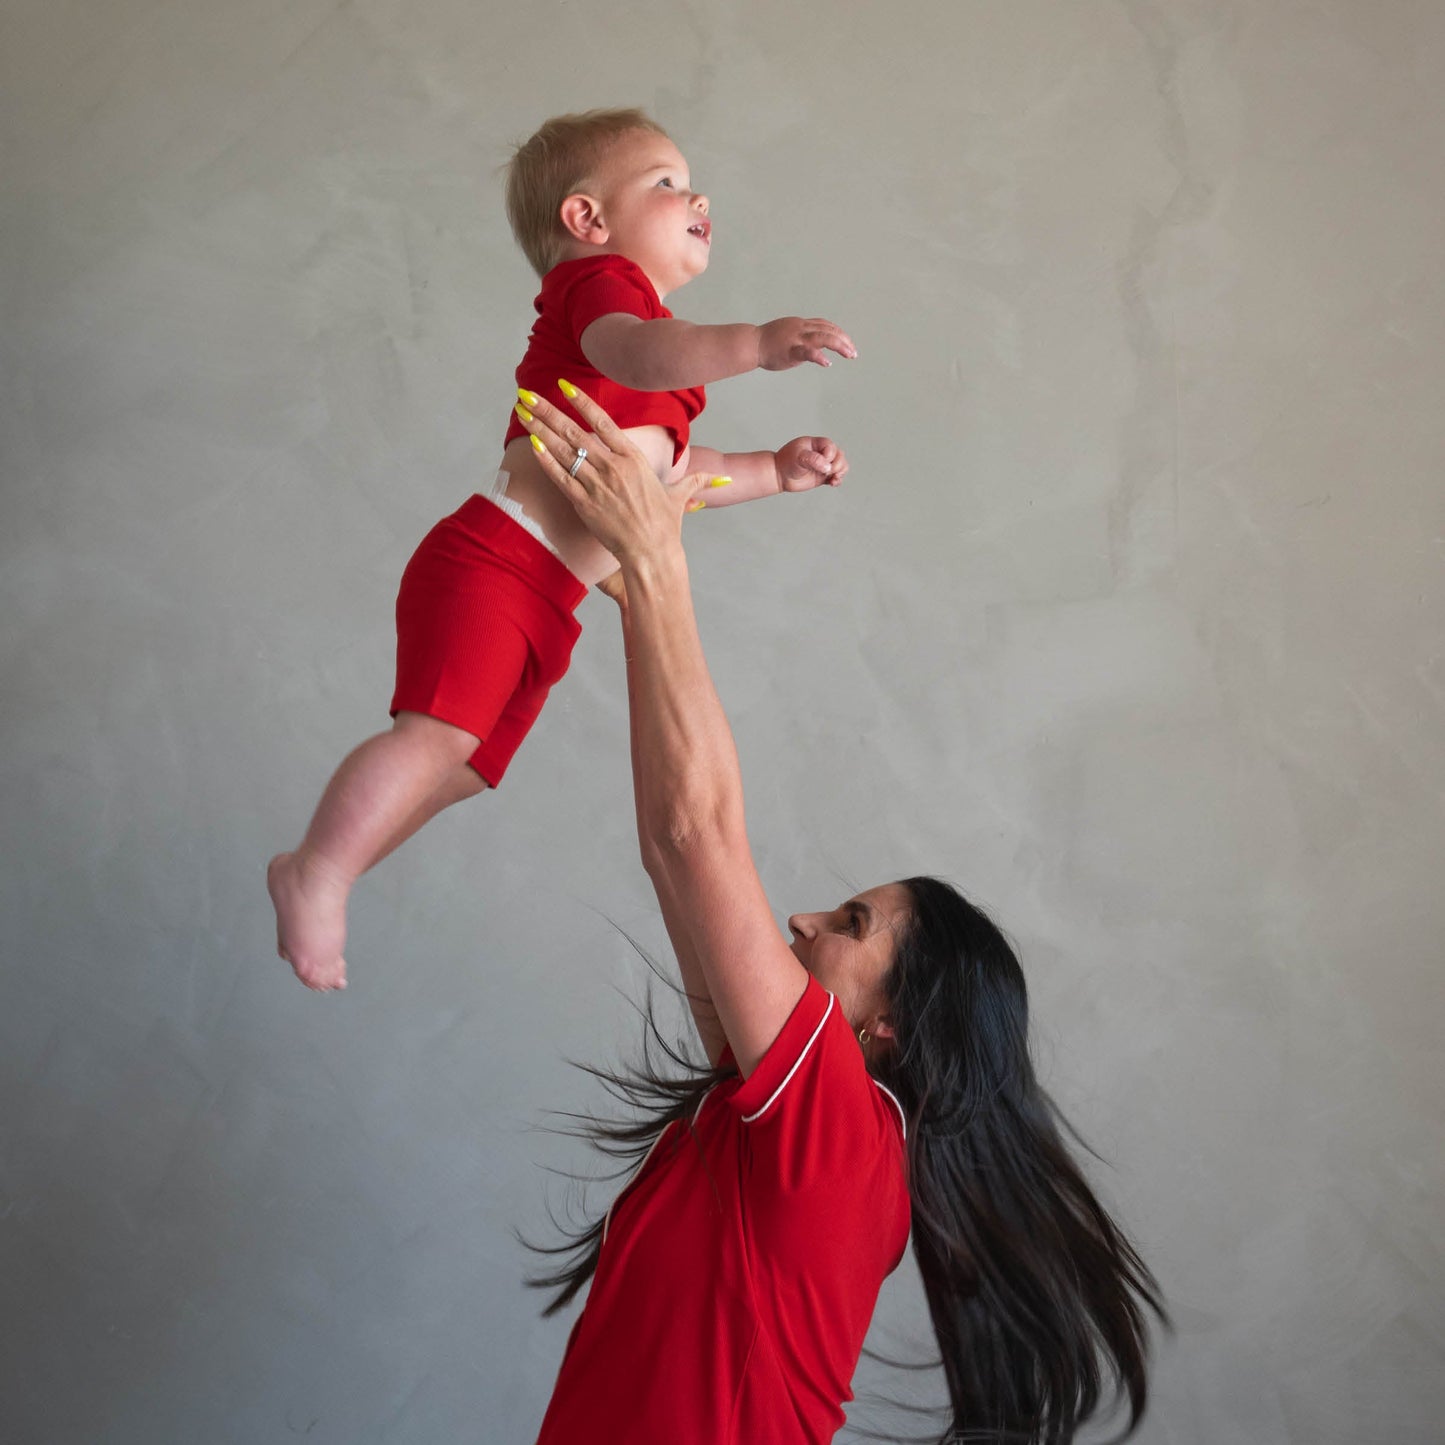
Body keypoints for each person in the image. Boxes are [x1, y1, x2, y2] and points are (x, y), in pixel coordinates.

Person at [515, 384, 1166, 1445]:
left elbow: (699, 837)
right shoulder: (756, 1113)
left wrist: (660, 559)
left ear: (886, 1029)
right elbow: (668, 852)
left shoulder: (842, 1136)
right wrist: (639, 585)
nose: (807, 918)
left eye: (852, 925)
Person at [268, 107, 855, 991]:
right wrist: (759, 344)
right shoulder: (600, 291)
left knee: (464, 770)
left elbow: (677, 474)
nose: (698, 195)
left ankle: (337, 858)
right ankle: (316, 867)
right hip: (497, 563)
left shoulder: (653, 360)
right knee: (433, 739)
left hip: (548, 599)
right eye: (665, 181)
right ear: (587, 221)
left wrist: (772, 469)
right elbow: (646, 353)